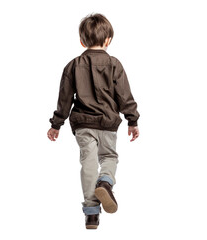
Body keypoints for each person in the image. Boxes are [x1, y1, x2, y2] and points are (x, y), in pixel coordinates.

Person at [47, 13, 140, 229]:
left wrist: (56, 124)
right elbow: (124, 96)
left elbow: (65, 99)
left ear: (82, 41)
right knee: (108, 156)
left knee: (88, 164)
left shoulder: (73, 65)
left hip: (83, 124)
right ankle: (106, 182)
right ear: (108, 40)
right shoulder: (114, 64)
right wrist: (132, 121)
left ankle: (91, 213)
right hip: (107, 123)